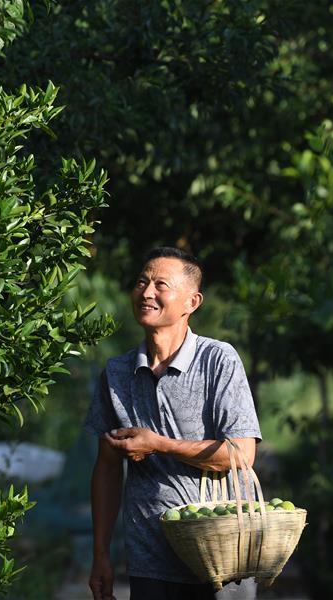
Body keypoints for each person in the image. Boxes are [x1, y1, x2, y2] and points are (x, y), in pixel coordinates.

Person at [83, 247, 262, 600]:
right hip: (149, 559)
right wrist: (101, 555)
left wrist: (159, 444)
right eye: (141, 282)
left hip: (223, 558)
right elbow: (106, 468)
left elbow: (242, 454)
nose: (147, 292)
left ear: (191, 302)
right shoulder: (117, 373)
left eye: (160, 285)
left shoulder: (218, 361)